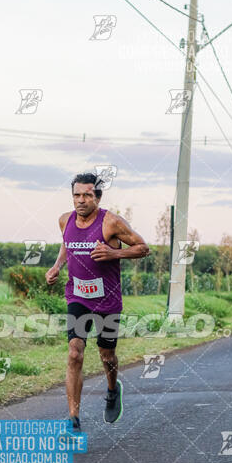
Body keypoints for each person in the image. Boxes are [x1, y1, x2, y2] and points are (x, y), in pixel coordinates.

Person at [45, 172, 149, 431]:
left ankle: (113, 389)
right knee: (74, 352)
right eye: (76, 195)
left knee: (107, 354)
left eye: (87, 195)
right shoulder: (64, 220)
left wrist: (114, 252)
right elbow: (67, 245)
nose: (81, 200)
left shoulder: (111, 223)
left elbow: (143, 247)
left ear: (98, 197)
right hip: (77, 295)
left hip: (107, 299)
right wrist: (57, 266)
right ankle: (73, 418)